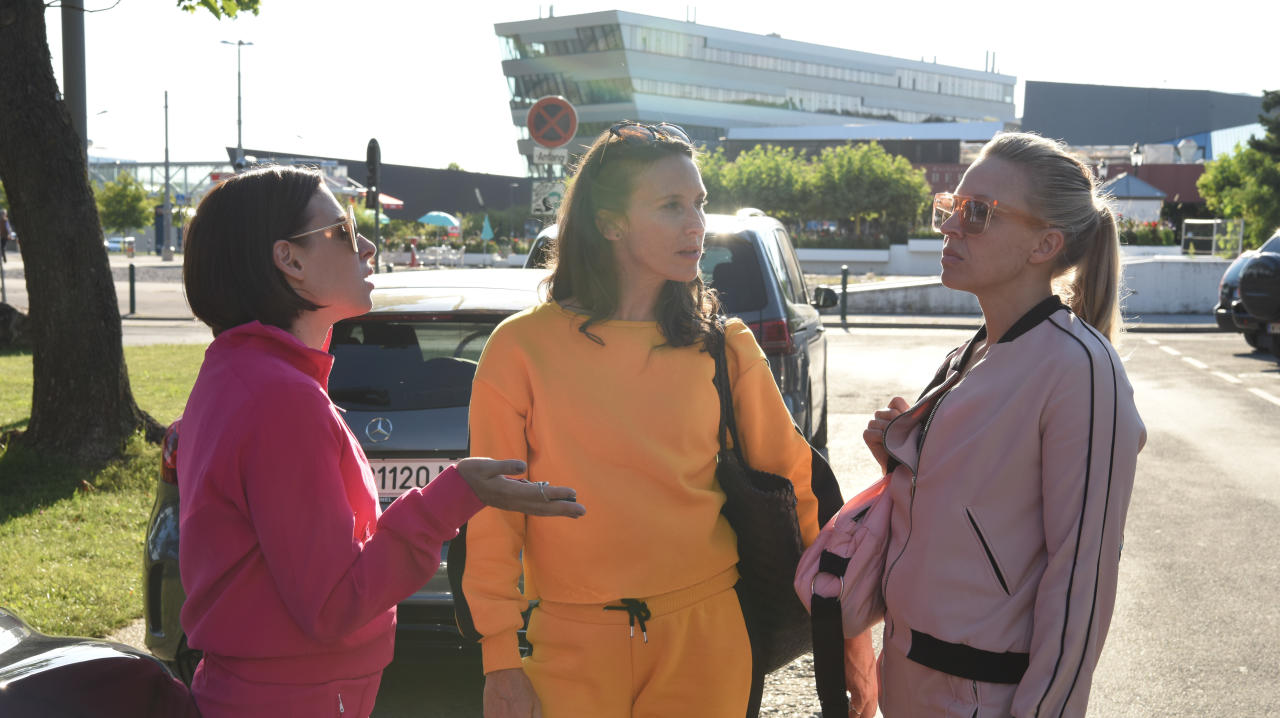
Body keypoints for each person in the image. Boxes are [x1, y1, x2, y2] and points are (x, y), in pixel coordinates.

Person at [463, 121, 855, 718]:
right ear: (609, 222)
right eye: (671, 205)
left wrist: (844, 636)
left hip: (708, 636)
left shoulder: (724, 345)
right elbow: (496, 515)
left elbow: (798, 492)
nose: (696, 222)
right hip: (567, 645)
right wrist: (499, 663)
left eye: (698, 202)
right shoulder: (519, 348)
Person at [177, 165, 585, 718]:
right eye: (343, 231)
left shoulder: (240, 373)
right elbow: (334, 604)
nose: (367, 245)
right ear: (289, 260)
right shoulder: (280, 399)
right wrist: (452, 494)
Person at [862, 132, 1146, 717]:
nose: (950, 227)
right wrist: (902, 463)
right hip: (910, 683)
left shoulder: (1080, 369)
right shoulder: (972, 351)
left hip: (983, 698)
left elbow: (1082, 583)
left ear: (1045, 243)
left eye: (978, 213)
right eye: (950, 207)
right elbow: (976, 517)